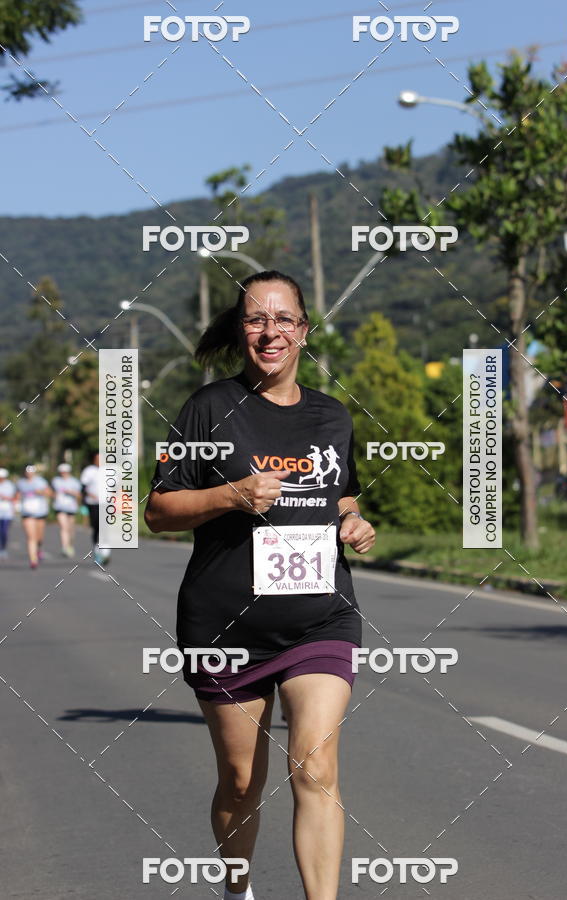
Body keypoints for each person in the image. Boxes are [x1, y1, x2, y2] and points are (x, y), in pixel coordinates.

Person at [145, 271, 375, 900]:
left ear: (303, 330)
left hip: (320, 617)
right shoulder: (208, 408)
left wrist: (352, 517)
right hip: (226, 623)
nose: (269, 331)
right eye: (255, 319)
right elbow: (158, 511)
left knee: (316, 764)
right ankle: (237, 888)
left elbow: (341, 491)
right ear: (241, 330)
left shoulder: (332, 416)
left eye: (283, 319)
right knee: (242, 781)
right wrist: (230, 494)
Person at [15, 464, 52, 569]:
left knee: (39, 537)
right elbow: (17, 495)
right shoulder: (21, 483)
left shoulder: (41, 481)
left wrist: (41, 492)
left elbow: (49, 493)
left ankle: (39, 548)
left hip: (40, 512)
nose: (29, 474)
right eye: (27, 472)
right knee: (31, 537)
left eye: (31, 472)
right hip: (27, 513)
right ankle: (33, 559)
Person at [80, 451, 110, 565]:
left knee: (106, 527)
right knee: (97, 527)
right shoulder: (89, 471)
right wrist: (88, 495)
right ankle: (97, 550)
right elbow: (83, 488)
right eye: (97, 459)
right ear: (94, 460)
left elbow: (117, 487)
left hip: (106, 504)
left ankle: (106, 552)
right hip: (93, 503)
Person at [51, 463, 81, 557]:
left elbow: (79, 495)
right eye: (62, 472)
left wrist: (70, 492)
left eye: (65, 472)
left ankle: (70, 545)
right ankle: (64, 547)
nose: (63, 474)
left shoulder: (74, 482)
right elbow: (52, 492)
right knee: (63, 527)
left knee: (70, 528)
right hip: (60, 507)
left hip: (71, 507)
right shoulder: (56, 481)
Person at [0, 468, 16, 560]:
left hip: (7, 512)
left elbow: (13, 497)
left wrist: (4, 496)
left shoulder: (9, 485)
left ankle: (3, 548)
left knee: (4, 531)